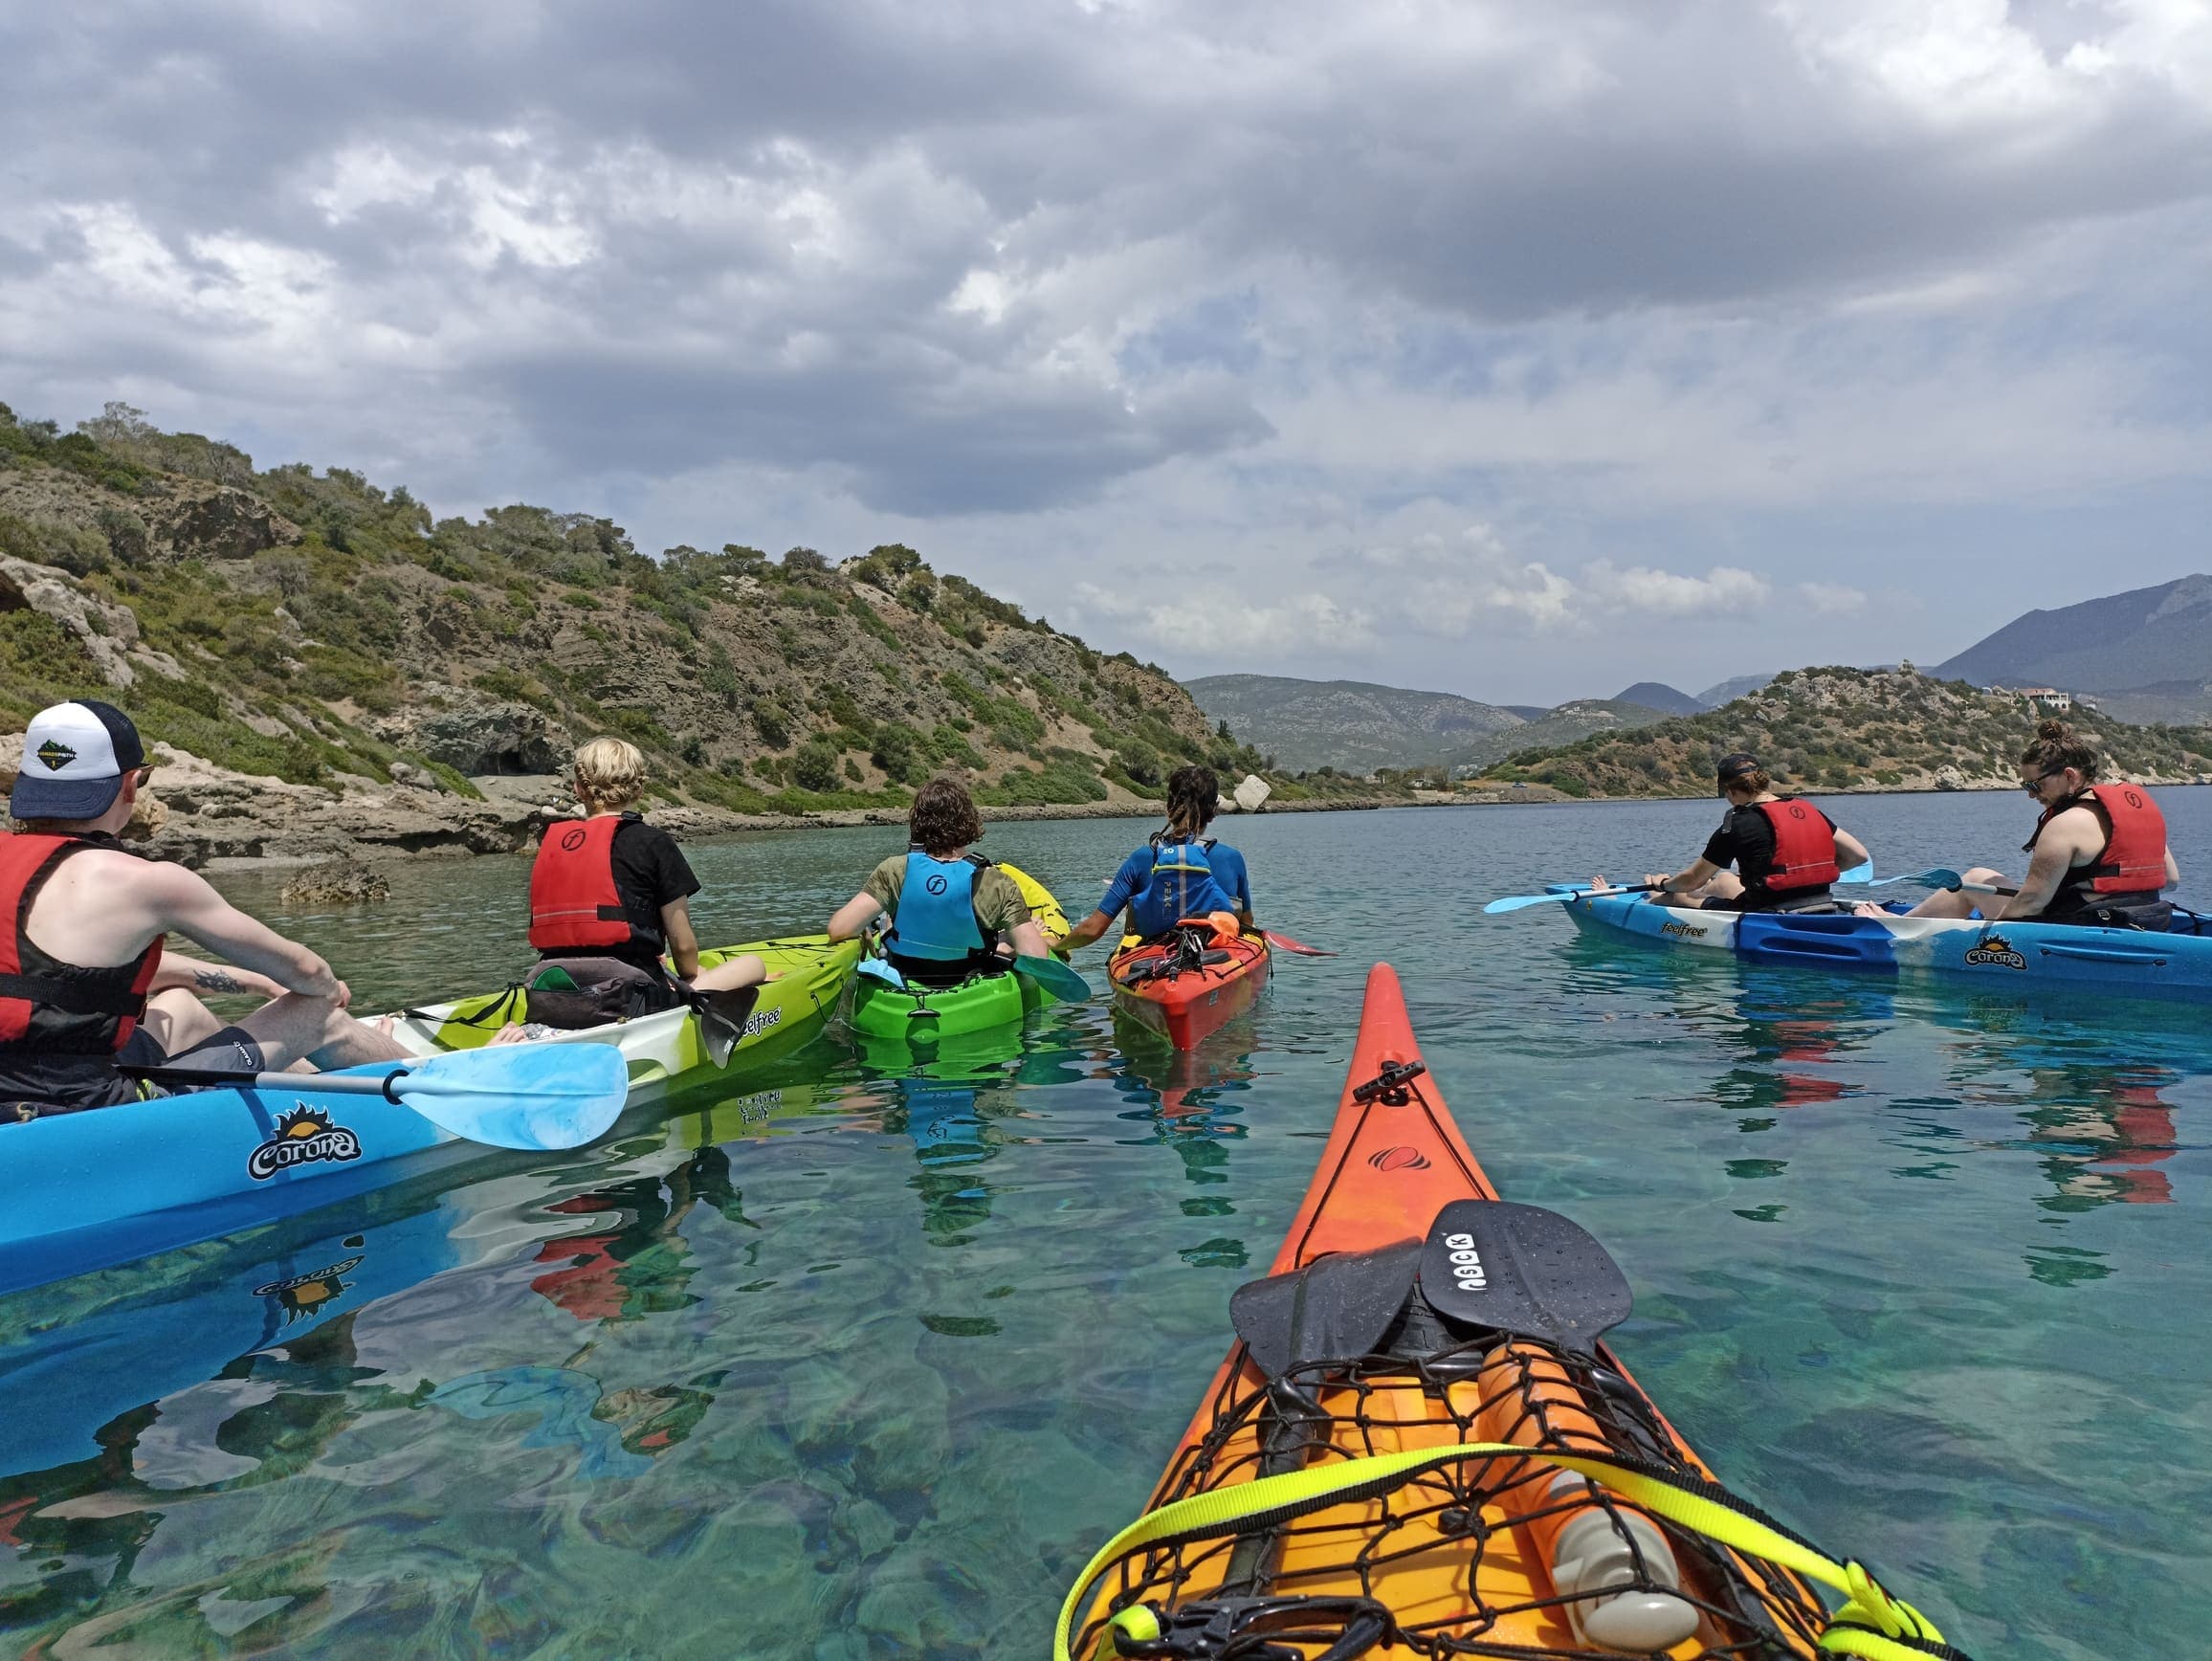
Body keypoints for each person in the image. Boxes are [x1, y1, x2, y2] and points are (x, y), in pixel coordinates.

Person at [1, 700, 412, 1120]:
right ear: (130, 784)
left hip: (13, 1098)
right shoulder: (146, 881)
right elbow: (309, 975)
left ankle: (318, 1082)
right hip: (80, 1113)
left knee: (181, 1008)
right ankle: (430, 1081)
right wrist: (324, 994)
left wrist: (259, 983)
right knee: (315, 1014)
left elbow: (63, 978)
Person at [520, 738, 767, 1025]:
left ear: (579, 788)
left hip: (548, 991)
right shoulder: (654, 843)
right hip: (629, 999)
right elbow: (683, 945)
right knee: (754, 964)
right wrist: (687, 975)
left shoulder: (554, 847)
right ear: (638, 788)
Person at [1860, 720, 2179, 929]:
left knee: (1973, 878)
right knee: (1981, 878)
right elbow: (2171, 880)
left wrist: (1989, 931)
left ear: (2068, 776)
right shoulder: (2137, 810)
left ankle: (1895, 926)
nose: (2031, 796)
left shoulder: (2066, 824)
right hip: (2146, 917)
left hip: (2085, 925)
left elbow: (2032, 902)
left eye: (2034, 786)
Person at [825, 776, 1053, 984]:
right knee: (1006, 942)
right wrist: (1013, 944)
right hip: (969, 978)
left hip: (906, 977)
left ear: (917, 822)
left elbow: (838, 929)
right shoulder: (996, 882)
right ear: (970, 822)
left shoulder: (893, 870)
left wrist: (864, 931)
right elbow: (1037, 960)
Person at [1596, 752, 1870, 913]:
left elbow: (1691, 880)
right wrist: (1804, 873)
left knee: (1680, 896)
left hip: (1765, 913)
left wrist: (1664, 883)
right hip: (1820, 901)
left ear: (1730, 790)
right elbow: (1858, 856)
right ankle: (1665, 893)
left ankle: (1639, 900)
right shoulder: (1806, 809)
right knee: (1725, 877)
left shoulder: (1736, 824)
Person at [1062, 764, 1256, 951]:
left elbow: (1093, 929)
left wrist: (1056, 945)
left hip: (1154, 968)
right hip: (1216, 966)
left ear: (1169, 807)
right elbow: (1247, 925)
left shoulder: (1142, 858)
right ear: (1213, 811)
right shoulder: (1232, 858)